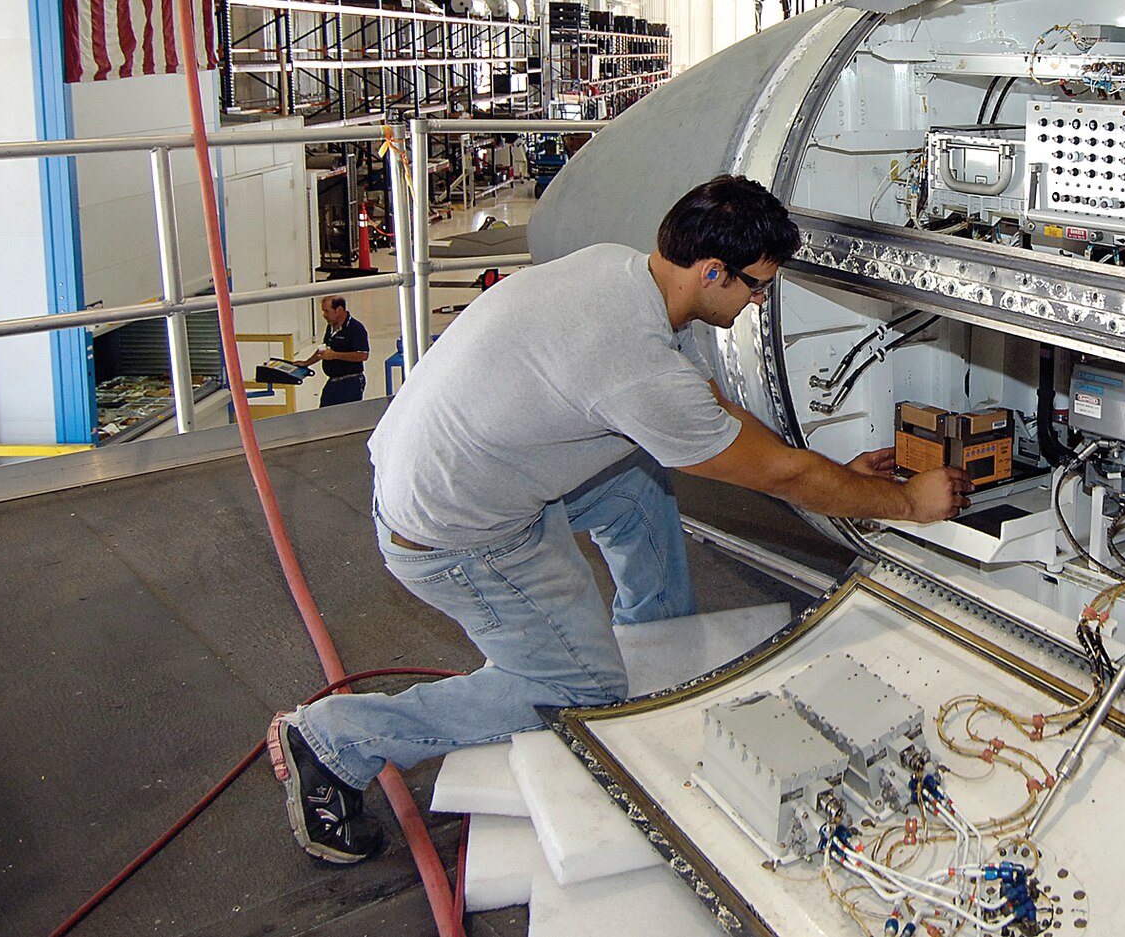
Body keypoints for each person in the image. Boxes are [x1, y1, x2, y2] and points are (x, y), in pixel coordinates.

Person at [267, 175, 971, 864]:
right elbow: (776, 473)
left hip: (446, 470)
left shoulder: (623, 273)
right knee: (577, 689)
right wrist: (910, 504)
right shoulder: (637, 368)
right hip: (454, 534)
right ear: (712, 270)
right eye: (756, 285)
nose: (760, 301)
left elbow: (718, 417)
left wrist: (837, 470)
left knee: (638, 485)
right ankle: (337, 740)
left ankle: (656, 650)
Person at [305, 296, 370, 407]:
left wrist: (335, 355)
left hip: (350, 383)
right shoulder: (331, 327)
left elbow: (362, 355)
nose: (324, 315)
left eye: (326, 311)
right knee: (325, 414)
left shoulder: (355, 328)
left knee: (346, 417)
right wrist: (306, 363)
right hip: (333, 382)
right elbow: (324, 349)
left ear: (338, 310)